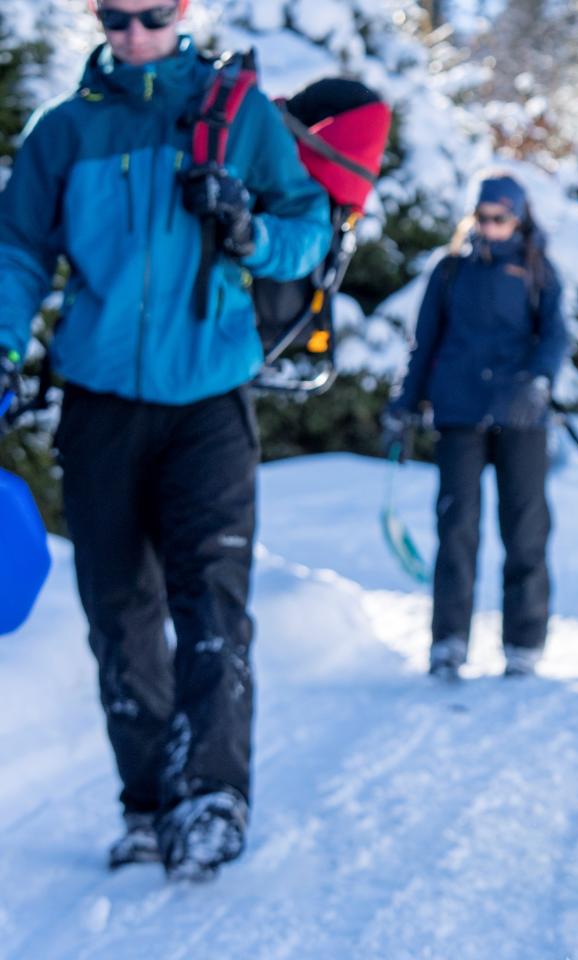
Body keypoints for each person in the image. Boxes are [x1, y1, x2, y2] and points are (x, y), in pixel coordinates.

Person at [0, 0, 331, 881]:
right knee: (119, 612)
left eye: (149, 16)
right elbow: (18, 250)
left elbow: (309, 228)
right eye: (114, 18)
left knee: (211, 605)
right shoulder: (64, 130)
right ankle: (148, 799)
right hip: (100, 402)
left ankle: (214, 793)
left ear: (183, 10)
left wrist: (250, 230)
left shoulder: (236, 114)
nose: (132, 36)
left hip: (208, 402)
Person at [387, 173, 570, 680]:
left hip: (521, 416)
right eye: (483, 217)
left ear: (518, 217)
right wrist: (404, 405)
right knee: (457, 528)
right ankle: (448, 641)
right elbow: (422, 342)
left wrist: (538, 381)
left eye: (500, 218)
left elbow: (554, 335)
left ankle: (523, 643)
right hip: (458, 410)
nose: (490, 227)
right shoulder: (449, 271)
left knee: (526, 528)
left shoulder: (537, 270)